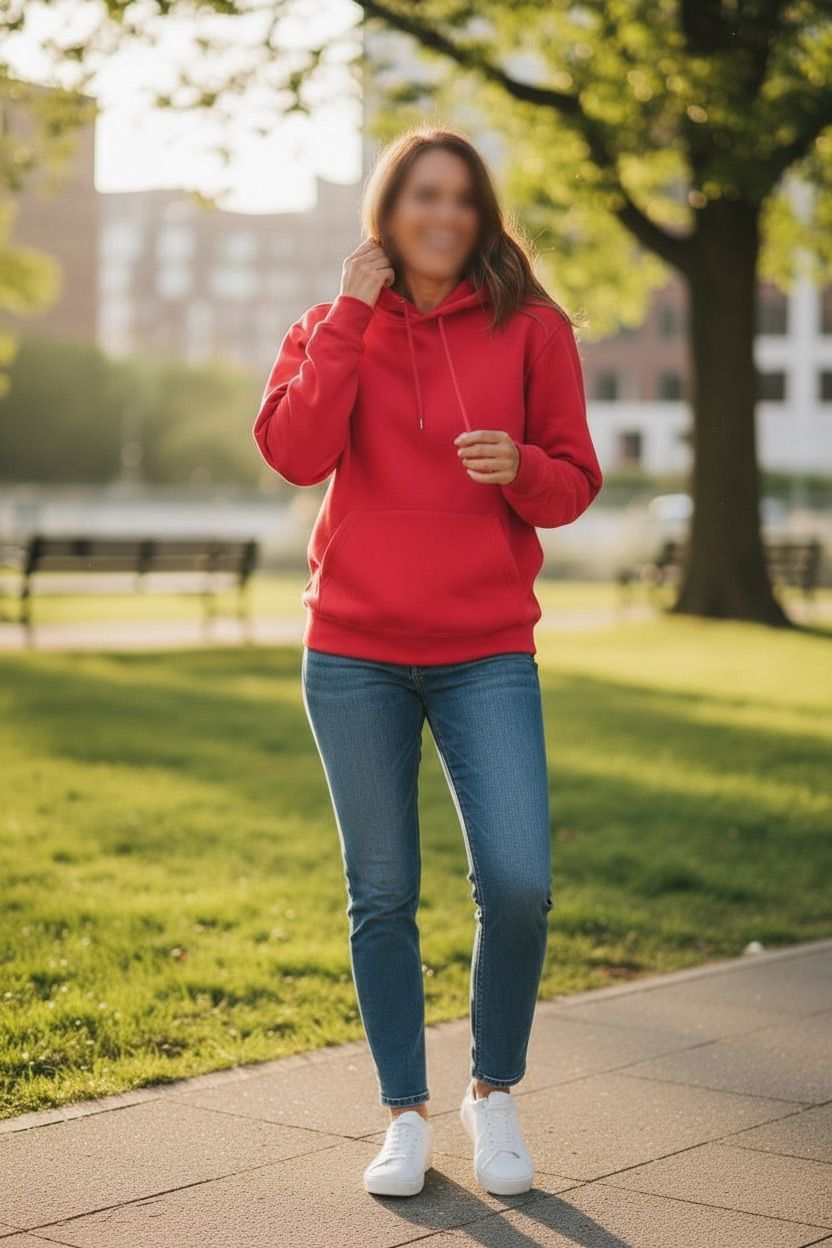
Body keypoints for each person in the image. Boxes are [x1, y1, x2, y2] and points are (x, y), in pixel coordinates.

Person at [252, 125, 603, 1199]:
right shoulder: (329, 323)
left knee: (518, 880)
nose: (441, 215)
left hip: (483, 648)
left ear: (480, 211)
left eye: (459, 197)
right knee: (382, 892)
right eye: (421, 196)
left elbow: (575, 480)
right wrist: (351, 316)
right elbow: (293, 454)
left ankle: (490, 1092)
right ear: (389, 210)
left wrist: (522, 469)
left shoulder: (532, 328)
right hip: (352, 652)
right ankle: (402, 1114)